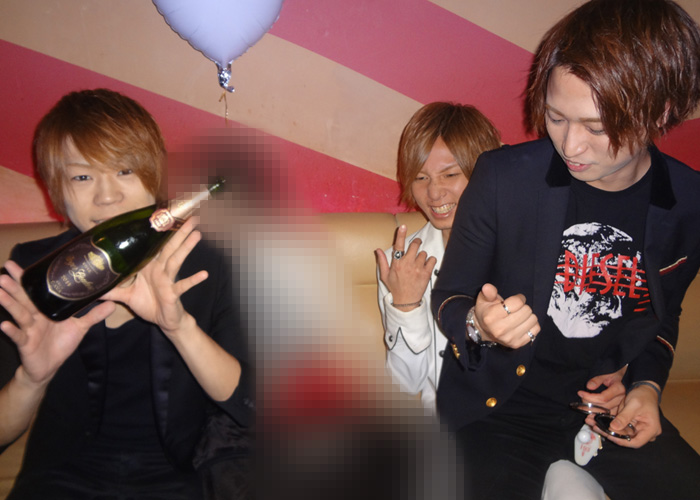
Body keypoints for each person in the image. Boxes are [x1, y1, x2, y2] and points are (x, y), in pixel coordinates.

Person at [432, 1, 700, 499]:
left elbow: (663, 316)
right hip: (500, 411)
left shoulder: (689, 203)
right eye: (556, 117)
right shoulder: (503, 178)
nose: (570, 145)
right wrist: (478, 325)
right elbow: (449, 296)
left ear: (660, 111)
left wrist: (647, 386)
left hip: (602, 412)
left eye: (596, 127)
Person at [0, 89, 253, 499]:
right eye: (82, 177)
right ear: (56, 189)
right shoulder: (35, 274)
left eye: (124, 171)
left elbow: (248, 405)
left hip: (180, 478)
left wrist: (180, 328)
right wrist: (32, 379)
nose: (107, 196)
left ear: (154, 176)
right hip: (60, 479)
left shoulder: (207, 263)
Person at [377, 102, 624, 499]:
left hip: (539, 426)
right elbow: (405, 387)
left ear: (487, 173)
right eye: (420, 177)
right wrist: (404, 308)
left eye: (450, 174)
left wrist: (625, 378)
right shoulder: (401, 263)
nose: (434, 193)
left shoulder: (536, 249)